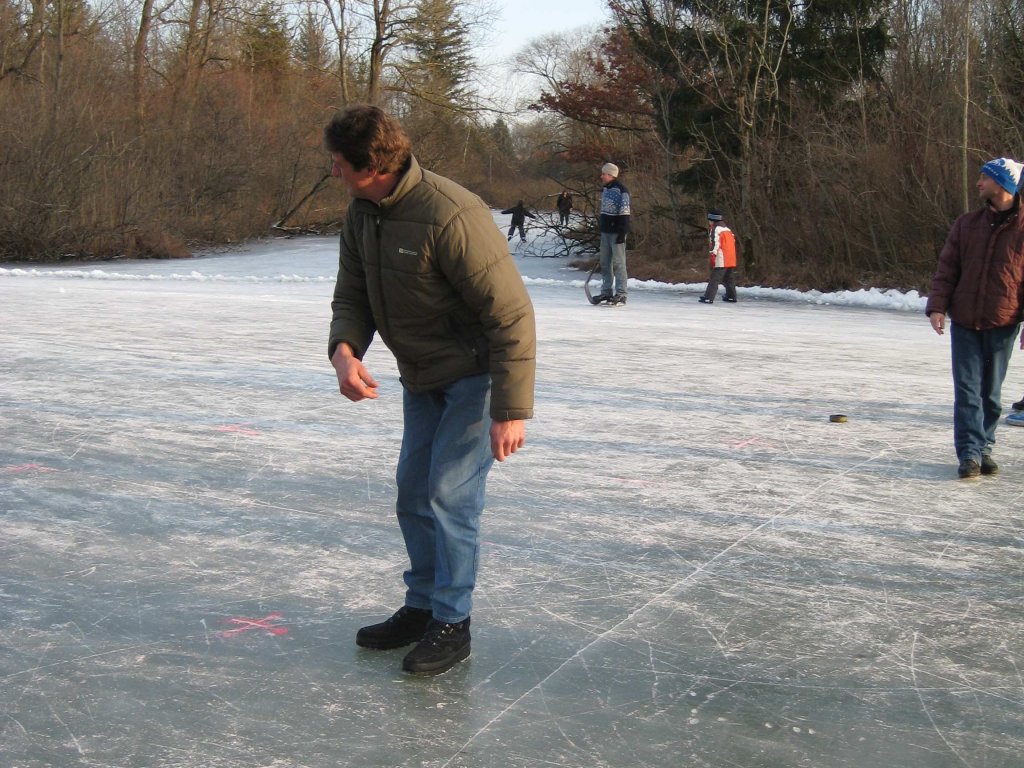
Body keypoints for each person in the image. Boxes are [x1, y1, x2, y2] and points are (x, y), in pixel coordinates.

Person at [324, 105, 537, 675]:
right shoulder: (362, 212)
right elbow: (353, 292)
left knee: (449, 495)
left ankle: (452, 621)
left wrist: (510, 409)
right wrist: (346, 350)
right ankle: (421, 607)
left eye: (340, 165)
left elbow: (511, 314)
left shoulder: (450, 213)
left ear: (372, 166)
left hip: (474, 376)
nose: (334, 173)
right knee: (413, 492)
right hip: (421, 376)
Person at [925, 157, 1024, 479]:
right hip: (966, 320)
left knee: (990, 394)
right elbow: (947, 269)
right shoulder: (966, 224)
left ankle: (985, 447)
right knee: (967, 390)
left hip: (1003, 321)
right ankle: (969, 453)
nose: (978, 183)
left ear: (1002, 184)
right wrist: (938, 306)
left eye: (985, 178)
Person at [592, 163, 631, 305]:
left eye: (604, 174)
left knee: (619, 263)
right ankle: (606, 292)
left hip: (617, 233)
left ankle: (621, 293)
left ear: (611, 175)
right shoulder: (606, 190)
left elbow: (625, 213)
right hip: (605, 232)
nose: (601, 176)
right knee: (605, 263)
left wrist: (622, 232)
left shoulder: (622, 191)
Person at [699, 209, 738, 303]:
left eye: (709, 220)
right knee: (729, 278)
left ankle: (708, 297)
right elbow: (733, 242)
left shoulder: (715, 229)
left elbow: (715, 244)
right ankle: (731, 296)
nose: (709, 222)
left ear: (712, 220)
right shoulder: (727, 229)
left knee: (715, 278)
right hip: (731, 258)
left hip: (722, 258)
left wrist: (713, 255)